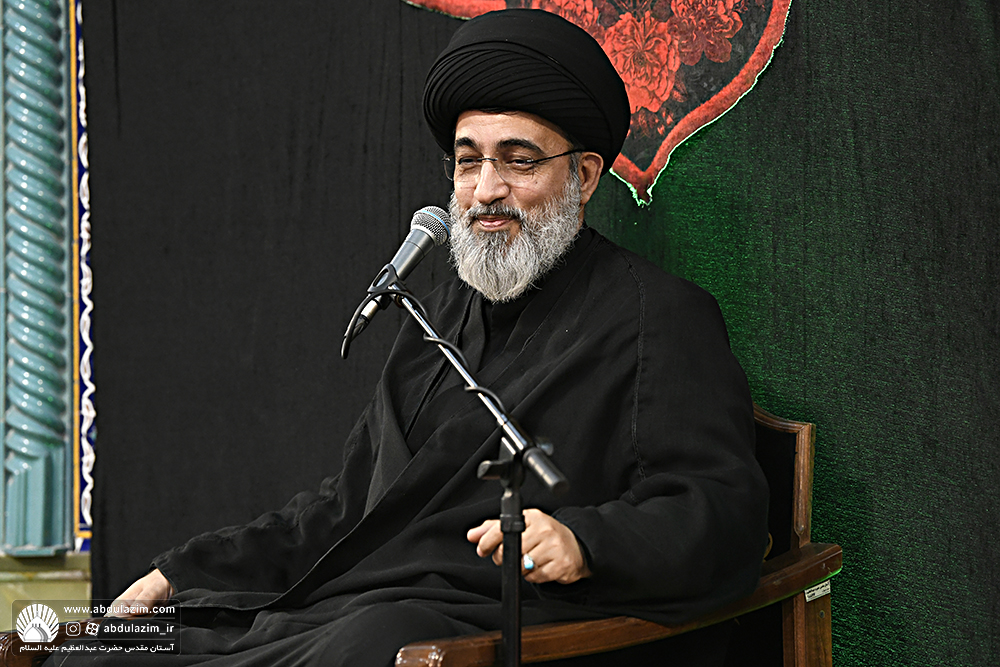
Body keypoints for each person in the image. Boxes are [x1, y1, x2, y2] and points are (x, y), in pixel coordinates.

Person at [51, 9, 768, 667]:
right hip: (346, 606)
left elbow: (721, 508)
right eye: (468, 159)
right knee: (94, 647)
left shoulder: (656, 317)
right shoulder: (442, 315)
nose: (485, 189)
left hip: (481, 625)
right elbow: (347, 507)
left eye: (518, 159)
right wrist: (186, 570)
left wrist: (585, 542)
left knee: (373, 645)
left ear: (582, 177)